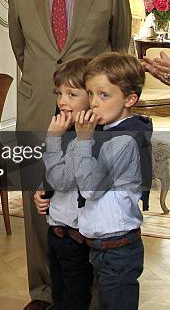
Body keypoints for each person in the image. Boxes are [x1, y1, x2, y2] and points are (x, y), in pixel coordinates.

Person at [7, 0, 131, 310]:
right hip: (38, 107)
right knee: (40, 197)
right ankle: (43, 293)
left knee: (89, 196)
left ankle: (92, 296)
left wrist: (96, 98)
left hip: (92, 111)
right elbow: (21, 48)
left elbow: (119, 47)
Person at [73, 52, 150, 310]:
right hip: (101, 247)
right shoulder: (106, 131)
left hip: (118, 250)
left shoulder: (125, 139)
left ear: (130, 99)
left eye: (104, 95)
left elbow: (89, 188)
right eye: (90, 93)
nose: (93, 103)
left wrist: (83, 141)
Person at [39, 57, 94, 310]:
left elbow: (67, 179)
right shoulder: (63, 129)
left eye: (72, 94)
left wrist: (53, 140)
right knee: (58, 295)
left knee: (75, 299)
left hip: (75, 238)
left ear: (91, 96)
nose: (62, 101)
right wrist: (42, 193)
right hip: (56, 231)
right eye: (59, 93)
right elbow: (52, 175)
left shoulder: (87, 137)